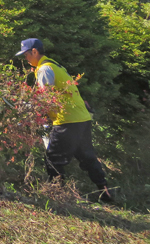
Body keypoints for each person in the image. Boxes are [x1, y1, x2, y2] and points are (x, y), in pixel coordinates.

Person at [16, 38, 112, 202]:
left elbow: (45, 99)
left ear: (34, 51)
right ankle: (107, 194)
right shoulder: (55, 65)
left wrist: (26, 109)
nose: (25, 59)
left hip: (67, 120)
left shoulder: (45, 70)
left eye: (26, 54)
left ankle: (56, 196)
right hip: (82, 118)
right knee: (88, 157)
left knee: (53, 159)